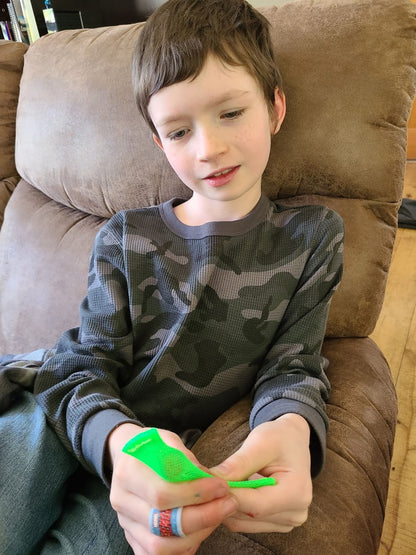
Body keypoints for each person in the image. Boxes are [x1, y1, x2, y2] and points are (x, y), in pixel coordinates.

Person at [0, 0, 344, 553]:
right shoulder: (124, 237)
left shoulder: (312, 237)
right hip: (61, 417)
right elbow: (83, 364)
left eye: (231, 113)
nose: (209, 149)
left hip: (169, 463)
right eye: (180, 131)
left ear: (275, 108)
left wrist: (292, 426)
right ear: (160, 143)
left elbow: (295, 363)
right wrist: (117, 440)